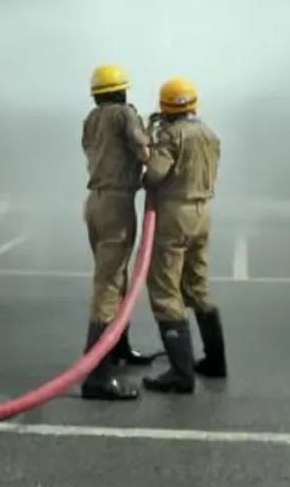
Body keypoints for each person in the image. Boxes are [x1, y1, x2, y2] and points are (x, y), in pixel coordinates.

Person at [141, 76, 224, 394]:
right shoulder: (209, 134)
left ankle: (181, 373)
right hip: (202, 212)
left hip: (175, 214)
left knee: (164, 290)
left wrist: (151, 144)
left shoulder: (171, 136)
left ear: (165, 105)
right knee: (197, 285)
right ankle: (216, 361)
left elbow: (154, 176)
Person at [79, 64, 154, 401]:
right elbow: (143, 150)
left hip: (95, 203)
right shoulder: (124, 115)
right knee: (109, 285)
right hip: (116, 204)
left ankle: (119, 349)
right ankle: (97, 373)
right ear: (122, 90)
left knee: (117, 277)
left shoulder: (91, 119)